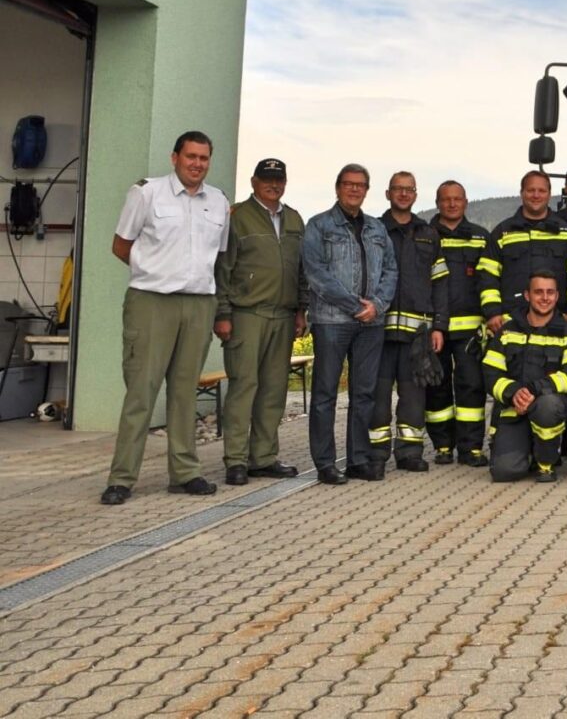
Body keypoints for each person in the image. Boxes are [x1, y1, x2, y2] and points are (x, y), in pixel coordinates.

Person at [101, 132, 232, 505]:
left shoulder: (218, 201)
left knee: (185, 393)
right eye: (191, 156)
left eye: (204, 158)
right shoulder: (146, 193)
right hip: (152, 302)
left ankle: (185, 472)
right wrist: (155, 274)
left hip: (198, 304)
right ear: (174, 157)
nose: (197, 164)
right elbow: (120, 246)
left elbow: (217, 256)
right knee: (142, 391)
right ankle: (122, 478)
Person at [302, 164, 398, 486]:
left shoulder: (376, 229)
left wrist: (378, 306)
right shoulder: (319, 226)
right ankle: (326, 463)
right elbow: (316, 274)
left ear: (367, 190)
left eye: (360, 185)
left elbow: (391, 271)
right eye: (348, 184)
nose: (354, 190)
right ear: (337, 187)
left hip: (371, 323)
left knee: (364, 393)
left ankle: (358, 459)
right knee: (325, 393)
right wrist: (355, 306)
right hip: (332, 321)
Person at [213, 157, 305, 487]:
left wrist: (300, 310)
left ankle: (263, 458)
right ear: (253, 182)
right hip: (245, 315)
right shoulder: (237, 217)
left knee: (274, 391)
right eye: (267, 179)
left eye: (279, 179)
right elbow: (222, 268)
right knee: (243, 387)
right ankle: (235, 460)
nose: (274, 185)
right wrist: (222, 313)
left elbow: (301, 270)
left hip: (283, 315)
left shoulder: (294, 218)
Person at [369, 172, 449, 477]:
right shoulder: (374, 230)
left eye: (409, 190)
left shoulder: (428, 234)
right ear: (388, 194)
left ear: (416, 195)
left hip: (418, 333)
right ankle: (376, 452)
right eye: (398, 190)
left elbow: (441, 283)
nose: (404, 194)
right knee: (377, 396)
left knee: (414, 397)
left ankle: (410, 452)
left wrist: (439, 326)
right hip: (379, 330)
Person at [482, 271, 567, 482]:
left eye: (550, 292)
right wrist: (513, 393)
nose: (545, 298)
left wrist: (533, 390)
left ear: (557, 296)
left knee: (548, 405)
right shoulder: (507, 331)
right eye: (538, 292)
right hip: (514, 407)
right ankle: (525, 452)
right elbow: (490, 373)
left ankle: (545, 463)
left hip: (548, 405)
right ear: (527, 295)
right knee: (504, 472)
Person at [426, 180, 492, 466]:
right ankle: (442, 445)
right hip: (434, 329)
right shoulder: (425, 236)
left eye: (457, 199)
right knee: (436, 386)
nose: (452, 204)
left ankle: (471, 448)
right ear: (438, 202)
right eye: (446, 199)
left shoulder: (480, 237)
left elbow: (489, 279)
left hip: (469, 330)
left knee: (471, 386)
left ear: (466, 202)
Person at [480, 171, 567, 334]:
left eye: (541, 191)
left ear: (549, 194)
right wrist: (492, 312)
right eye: (530, 190)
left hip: (555, 322)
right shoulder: (503, 232)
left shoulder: (566, 233)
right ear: (521, 193)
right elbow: (487, 275)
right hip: (510, 324)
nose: (536, 195)